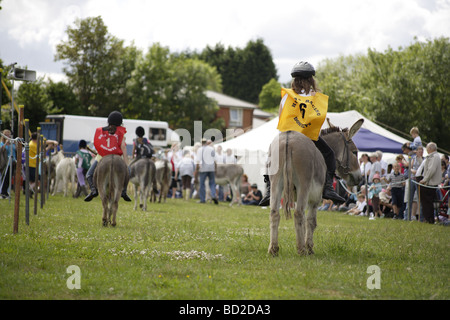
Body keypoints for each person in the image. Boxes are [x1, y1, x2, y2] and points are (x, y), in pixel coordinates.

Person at [259, 61, 345, 206]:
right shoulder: (315, 96)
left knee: (271, 153)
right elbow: (317, 119)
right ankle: (328, 188)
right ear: (311, 80)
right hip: (307, 136)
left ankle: (268, 189)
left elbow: (281, 117)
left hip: (287, 134)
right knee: (329, 154)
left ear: (294, 80)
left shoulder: (287, 95)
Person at [84, 111, 131, 202]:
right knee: (128, 172)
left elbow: (98, 144)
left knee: (89, 174)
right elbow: (123, 147)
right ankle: (124, 191)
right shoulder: (121, 132)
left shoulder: (101, 131)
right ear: (120, 122)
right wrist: (126, 164)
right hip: (116, 157)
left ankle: (93, 190)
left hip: (101, 157)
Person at [419, 142, 442, 224]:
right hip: (428, 182)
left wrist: (425, 179)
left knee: (428, 202)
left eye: (427, 148)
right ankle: (427, 218)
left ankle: (429, 219)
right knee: (425, 202)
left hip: (430, 183)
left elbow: (431, 170)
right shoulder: (432, 156)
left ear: (431, 148)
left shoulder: (435, 156)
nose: (426, 149)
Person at [195, 139, 218, 204]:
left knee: (202, 184)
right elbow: (215, 160)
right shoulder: (211, 149)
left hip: (203, 169)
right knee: (212, 183)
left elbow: (198, 161)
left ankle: (202, 199)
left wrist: (196, 170)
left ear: (201, 143)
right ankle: (213, 195)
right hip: (211, 168)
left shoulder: (200, 150)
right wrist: (215, 169)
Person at [0, 130, 16, 198]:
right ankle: (3, 192)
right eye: (6, 135)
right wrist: (6, 143)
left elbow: (16, 150)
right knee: (5, 177)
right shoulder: (1, 143)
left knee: (9, 178)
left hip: (13, 162)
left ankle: (6, 192)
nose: (8, 136)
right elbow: (2, 150)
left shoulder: (12, 143)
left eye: (8, 135)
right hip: (6, 163)